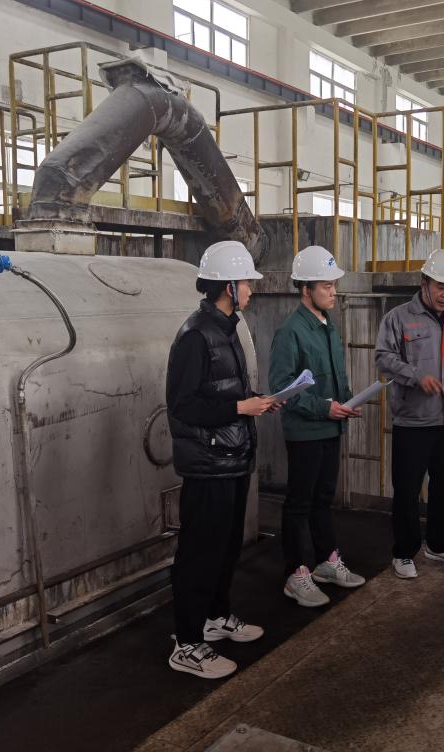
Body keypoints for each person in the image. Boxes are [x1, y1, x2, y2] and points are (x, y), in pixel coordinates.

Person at [165, 240, 278, 679]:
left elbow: (224, 391)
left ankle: (214, 617)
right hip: (208, 463)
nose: (251, 289)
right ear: (228, 286)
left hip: (231, 457)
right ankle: (187, 644)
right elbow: (183, 406)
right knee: (199, 553)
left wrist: (256, 401)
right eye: (246, 282)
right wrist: (239, 408)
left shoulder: (227, 330)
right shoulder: (196, 336)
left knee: (226, 547)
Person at [375, 248, 444, 580]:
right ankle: (404, 552)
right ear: (424, 282)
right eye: (440, 287)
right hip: (413, 422)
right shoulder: (398, 318)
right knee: (408, 490)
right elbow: (383, 357)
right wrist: (415, 376)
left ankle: (438, 544)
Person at [269, 246, 365, 608]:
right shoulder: (290, 332)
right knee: (299, 503)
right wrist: (326, 408)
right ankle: (295, 574)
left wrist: (349, 401)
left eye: (334, 285)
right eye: (327, 286)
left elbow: (337, 377)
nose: (333, 292)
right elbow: (283, 389)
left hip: (330, 429)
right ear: (305, 289)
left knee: (323, 500)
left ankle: (326, 561)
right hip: (306, 432)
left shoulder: (329, 326)